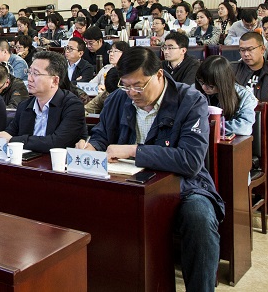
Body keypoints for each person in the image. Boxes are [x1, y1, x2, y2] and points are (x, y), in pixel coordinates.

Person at [77, 47, 223, 292]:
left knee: (199, 218)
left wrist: (135, 151)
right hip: (127, 186)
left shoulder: (190, 100)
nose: (132, 93)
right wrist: (91, 147)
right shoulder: (118, 98)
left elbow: (190, 160)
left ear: (159, 75)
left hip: (183, 186)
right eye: (126, 86)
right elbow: (102, 136)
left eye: (139, 86)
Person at [0, 51, 86, 153]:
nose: (29, 78)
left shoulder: (72, 106)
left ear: (55, 81)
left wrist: (14, 140)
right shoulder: (24, 106)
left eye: (36, 74)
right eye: (29, 72)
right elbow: (9, 133)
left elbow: (57, 142)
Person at [196, 56, 257, 136]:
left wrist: (212, 126)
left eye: (211, 86)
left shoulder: (245, 97)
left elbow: (244, 127)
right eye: (201, 82)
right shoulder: (196, 92)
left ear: (222, 82)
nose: (204, 87)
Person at [233, 32, 268, 103]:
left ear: (262, 49)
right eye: (242, 50)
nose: (246, 54)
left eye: (250, 49)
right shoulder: (232, 69)